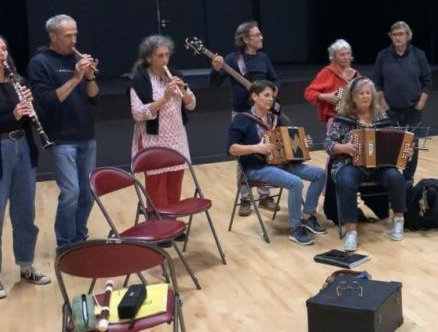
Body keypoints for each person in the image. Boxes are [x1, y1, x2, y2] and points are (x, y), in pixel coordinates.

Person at [27, 14, 98, 252]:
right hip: (61, 138)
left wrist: (89, 77)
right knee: (71, 193)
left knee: (88, 193)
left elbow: (93, 95)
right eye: (68, 35)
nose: (74, 40)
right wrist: (76, 77)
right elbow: (47, 101)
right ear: (53, 36)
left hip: (86, 135)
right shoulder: (40, 63)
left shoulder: (76, 59)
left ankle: (79, 236)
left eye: (75, 34)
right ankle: (65, 244)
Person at [227, 80, 326, 246]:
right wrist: (256, 147)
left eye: (272, 96)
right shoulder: (241, 120)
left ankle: (308, 216)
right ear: (254, 96)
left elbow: (287, 145)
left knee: (320, 174)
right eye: (266, 95)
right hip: (256, 168)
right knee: (295, 183)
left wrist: (302, 144)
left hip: (282, 164)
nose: (270, 99)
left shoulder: (275, 119)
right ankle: (295, 228)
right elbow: (232, 149)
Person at [325, 77, 409, 252]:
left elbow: (396, 141)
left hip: (378, 165)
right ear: (353, 97)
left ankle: (399, 220)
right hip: (349, 164)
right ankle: (351, 232)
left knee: (395, 176)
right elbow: (328, 145)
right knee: (346, 181)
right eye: (361, 93)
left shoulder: (381, 116)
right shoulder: (343, 118)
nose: (365, 96)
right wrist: (345, 147)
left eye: (368, 93)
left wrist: (406, 151)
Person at [211, 21, 279, 216]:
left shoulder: (263, 58)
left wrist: (272, 93)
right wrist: (216, 69)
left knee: (267, 150)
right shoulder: (232, 59)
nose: (261, 38)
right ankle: (245, 197)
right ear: (245, 39)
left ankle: (265, 194)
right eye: (257, 35)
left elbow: (274, 80)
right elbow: (214, 83)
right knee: (243, 156)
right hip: (242, 113)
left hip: (265, 113)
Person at [0, 37, 51, 299]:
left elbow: (33, 116)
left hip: (22, 148)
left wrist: (31, 107)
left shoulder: (18, 81)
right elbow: (10, 118)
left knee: (24, 213)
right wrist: (13, 116)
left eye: (4, 48)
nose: (2, 53)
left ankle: (26, 265)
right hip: (0, 150)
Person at [130, 35, 196, 209]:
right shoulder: (139, 80)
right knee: (157, 186)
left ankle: (173, 223)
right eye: (160, 56)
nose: (165, 59)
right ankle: (158, 226)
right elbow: (137, 114)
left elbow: (191, 105)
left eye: (167, 54)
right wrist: (164, 98)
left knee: (175, 184)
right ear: (148, 58)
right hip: (154, 139)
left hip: (177, 137)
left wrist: (184, 91)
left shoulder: (176, 75)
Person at [373, 21, 432, 183]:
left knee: (411, 147)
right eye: (394, 35)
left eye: (401, 34)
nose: (398, 37)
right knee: (389, 147)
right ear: (391, 37)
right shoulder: (383, 56)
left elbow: (427, 81)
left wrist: (421, 102)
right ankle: (391, 181)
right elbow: (377, 82)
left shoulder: (418, 55)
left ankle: (407, 181)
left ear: (408, 36)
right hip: (390, 110)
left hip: (413, 110)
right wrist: (382, 103)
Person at [304, 39, 360, 127]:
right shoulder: (327, 72)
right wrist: (325, 96)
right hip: (335, 118)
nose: (346, 57)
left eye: (348, 53)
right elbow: (308, 93)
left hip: (355, 118)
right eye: (342, 54)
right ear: (334, 57)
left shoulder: (356, 74)